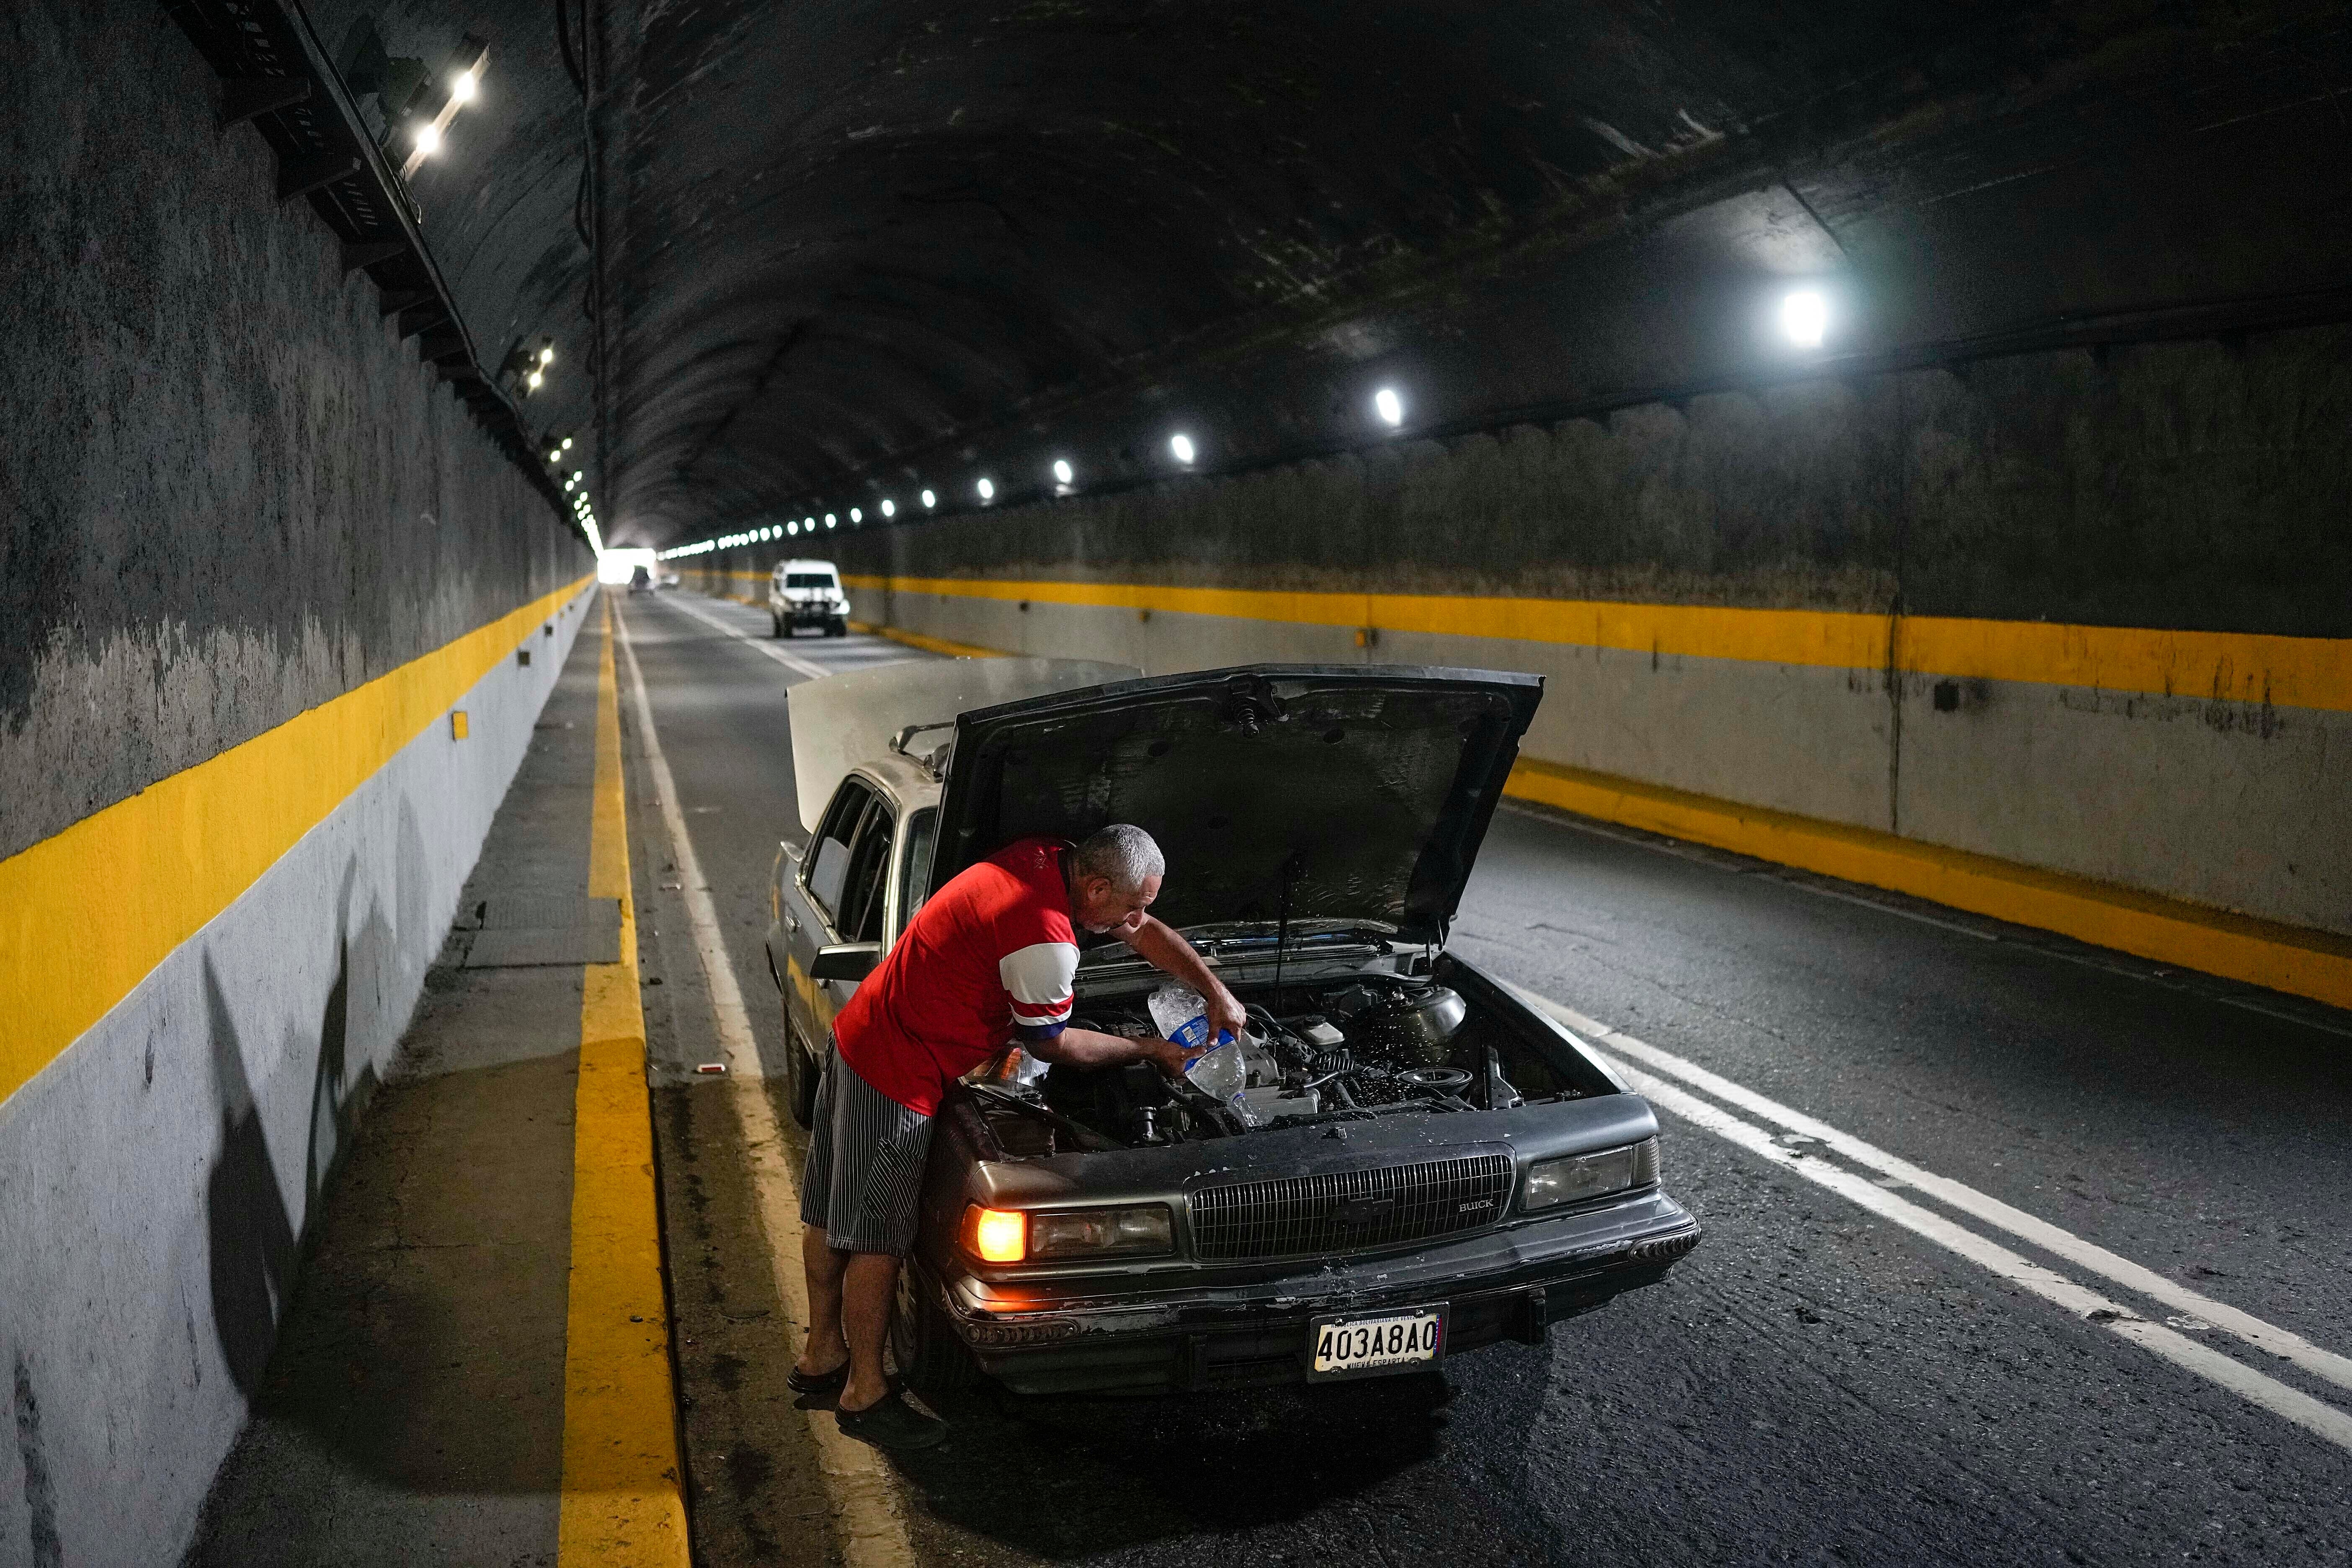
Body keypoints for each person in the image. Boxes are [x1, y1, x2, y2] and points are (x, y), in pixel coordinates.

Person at [791, 822, 1243, 1450]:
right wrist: (1151, 1049)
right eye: (1133, 904)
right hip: (896, 1069)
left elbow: (1140, 932)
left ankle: (821, 1356)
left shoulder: (1044, 857)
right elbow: (1053, 1045)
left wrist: (1212, 989)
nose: (1138, 920)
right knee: (876, 1237)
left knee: (826, 1210)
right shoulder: (1044, 939)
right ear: (1097, 887)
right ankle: (864, 1392)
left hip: (864, 1028)